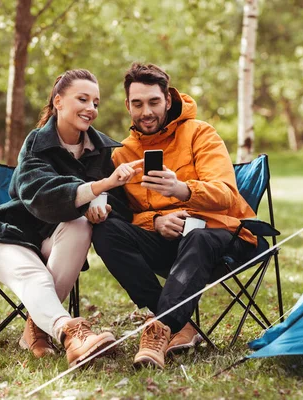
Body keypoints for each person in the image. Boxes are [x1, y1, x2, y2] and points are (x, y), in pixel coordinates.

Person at [92, 63, 257, 369]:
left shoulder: (200, 133)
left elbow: (226, 195)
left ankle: (158, 330)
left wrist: (182, 190)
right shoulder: (122, 155)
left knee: (197, 236)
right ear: (127, 105)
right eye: (138, 104)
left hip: (222, 236)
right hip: (168, 244)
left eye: (154, 102)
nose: (147, 112)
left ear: (168, 100)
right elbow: (126, 216)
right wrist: (154, 222)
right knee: (105, 231)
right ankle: (179, 326)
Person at [0, 69, 142, 366]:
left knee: (80, 224)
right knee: (36, 275)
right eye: (83, 99)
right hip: (10, 236)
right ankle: (70, 332)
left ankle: (37, 328)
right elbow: (42, 195)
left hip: (56, 240)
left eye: (96, 102)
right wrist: (100, 187)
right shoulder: (37, 144)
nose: (91, 108)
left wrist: (102, 201)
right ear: (59, 101)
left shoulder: (103, 149)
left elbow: (121, 197)